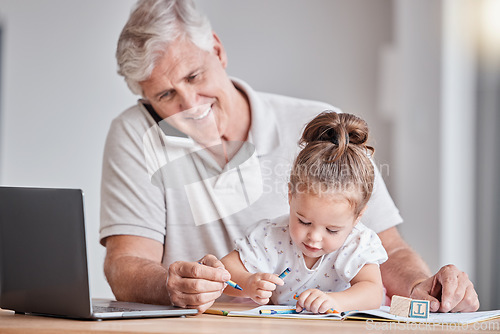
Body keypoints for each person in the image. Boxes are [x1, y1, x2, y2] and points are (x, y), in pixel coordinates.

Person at [100, 0, 479, 314]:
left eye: (195, 77)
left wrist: (419, 288)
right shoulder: (136, 134)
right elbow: (125, 264)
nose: (190, 105)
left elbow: (387, 250)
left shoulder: (322, 132)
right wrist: (173, 286)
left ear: (217, 50)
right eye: (165, 96)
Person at [221, 112, 388, 313]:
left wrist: (335, 301)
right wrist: (248, 282)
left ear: (358, 217)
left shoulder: (357, 243)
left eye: (332, 230)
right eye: (304, 222)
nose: (314, 237)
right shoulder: (271, 236)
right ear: (290, 196)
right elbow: (225, 269)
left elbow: (372, 293)